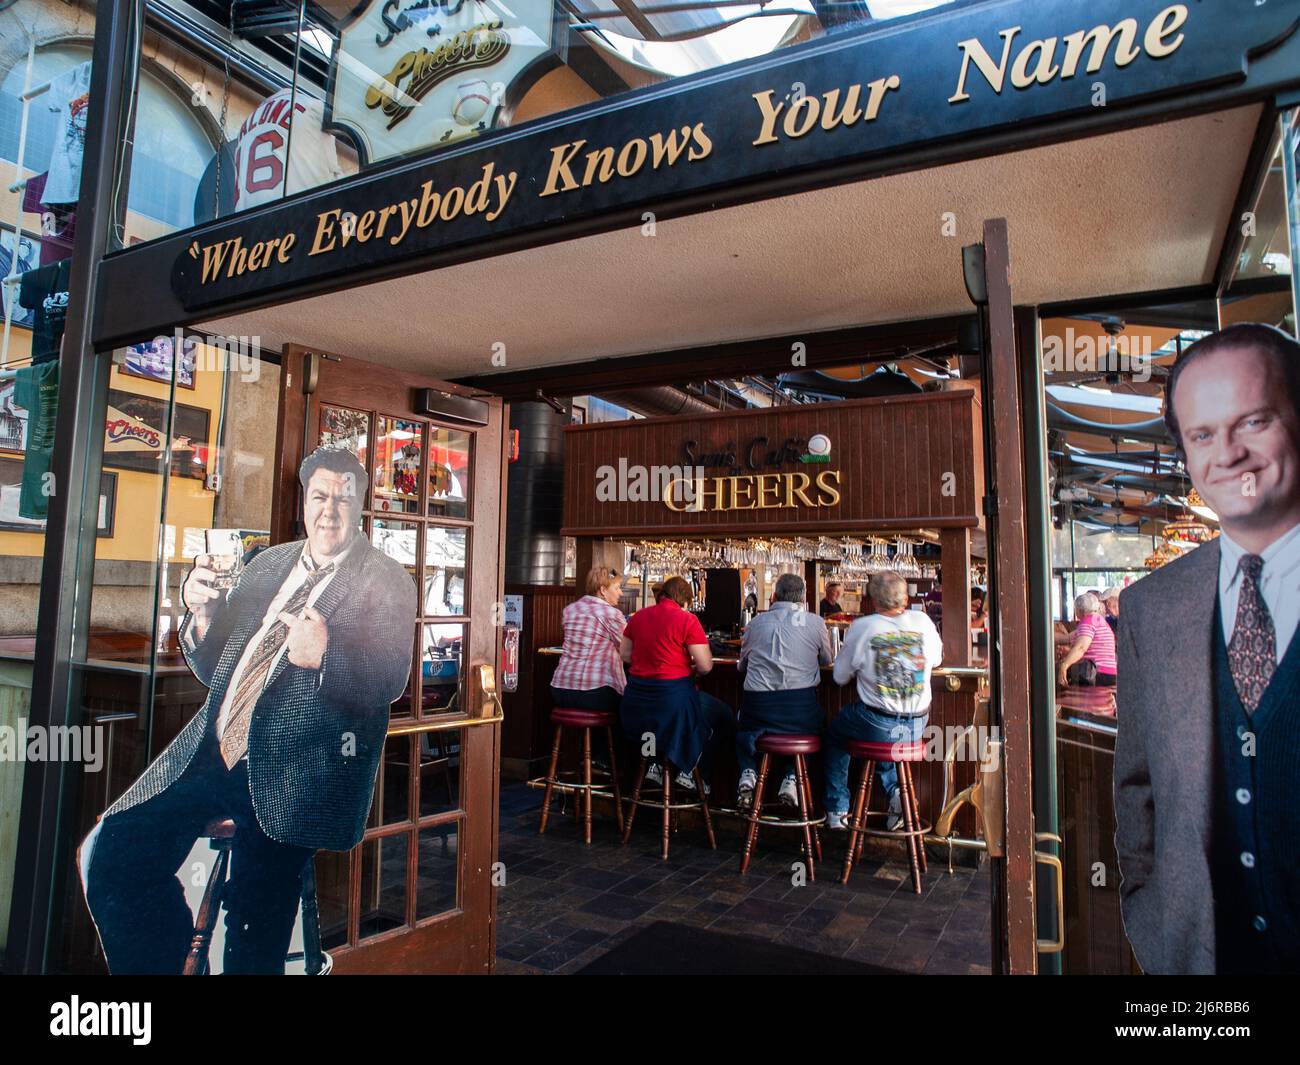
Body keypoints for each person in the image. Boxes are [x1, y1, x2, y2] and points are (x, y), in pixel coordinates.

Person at [80, 446, 417, 974]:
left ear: (361, 505)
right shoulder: (267, 564)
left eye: (344, 499)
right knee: (116, 857)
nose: (330, 510)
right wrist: (204, 613)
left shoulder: (387, 580)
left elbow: (389, 680)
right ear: (305, 501)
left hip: (301, 766)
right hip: (213, 755)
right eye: (320, 496)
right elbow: (215, 663)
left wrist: (326, 655)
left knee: (255, 914)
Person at [1116, 322, 1300, 975]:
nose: (1227, 454)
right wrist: (1151, 917)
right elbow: (1136, 782)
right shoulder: (1151, 606)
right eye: (1201, 434)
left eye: (1252, 421)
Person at [823, 571, 943, 831]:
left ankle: (837, 809)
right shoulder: (922, 621)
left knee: (835, 736)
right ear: (905, 597)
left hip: (877, 723)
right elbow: (936, 661)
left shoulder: (864, 627)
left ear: (872, 599)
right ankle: (898, 794)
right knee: (888, 739)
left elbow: (840, 676)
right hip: (917, 724)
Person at [619, 575, 734, 795]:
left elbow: (625, 654)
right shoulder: (687, 620)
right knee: (722, 717)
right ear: (686, 601)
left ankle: (653, 764)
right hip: (674, 703)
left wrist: (650, 665)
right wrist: (686, 668)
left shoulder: (638, 617)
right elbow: (705, 666)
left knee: (651, 726)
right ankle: (689, 771)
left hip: (636, 704)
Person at [734, 573, 832, 809]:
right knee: (818, 728)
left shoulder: (755, 623)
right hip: (800, 710)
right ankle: (791, 776)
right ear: (804, 599)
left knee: (739, 724)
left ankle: (748, 770)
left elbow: (742, 666)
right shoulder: (815, 622)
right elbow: (827, 660)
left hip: (757, 710)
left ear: (774, 597)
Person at [550, 567, 627, 714]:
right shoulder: (611, 614)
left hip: (560, 689)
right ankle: (609, 738)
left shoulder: (570, 610)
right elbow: (628, 649)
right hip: (593, 693)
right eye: (617, 588)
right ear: (603, 590)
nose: (621, 593)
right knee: (633, 701)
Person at [1056, 592, 1117, 687]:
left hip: (1099, 674)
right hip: (1108, 673)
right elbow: (1066, 639)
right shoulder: (1098, 620)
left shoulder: (1088, 622)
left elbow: (1081, 648)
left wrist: (1064, 665)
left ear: (1079, 610)